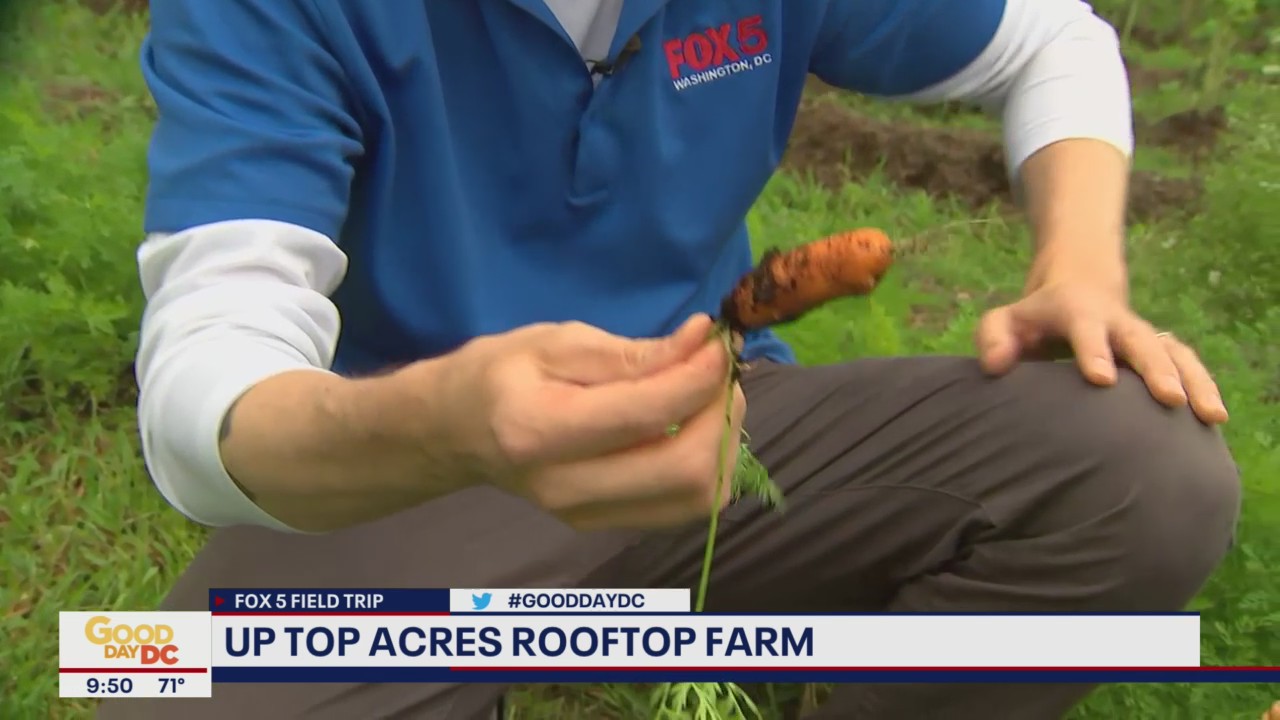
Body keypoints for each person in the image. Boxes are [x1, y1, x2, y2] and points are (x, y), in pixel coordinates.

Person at [99, 0, 1242, 718]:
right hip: (423, 478)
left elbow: (1054, 37)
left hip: (721, 431)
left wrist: (1079, 269)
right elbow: (208, 382)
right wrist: (443, 425)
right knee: (154, 680)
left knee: (1147, 468)